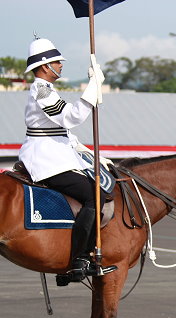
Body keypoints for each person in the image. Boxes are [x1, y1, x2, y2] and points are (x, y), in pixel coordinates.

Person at [18, 37, 117, 280]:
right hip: (46, 159)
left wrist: (90, 154)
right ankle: (79, 259)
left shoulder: (48, 89)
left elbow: (63, 132)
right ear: (45, 66)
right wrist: (93, 86)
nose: (61, 65)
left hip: (58, 154)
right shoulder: (41, 89)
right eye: (57, 62)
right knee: (95, 196)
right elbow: (71, 118)